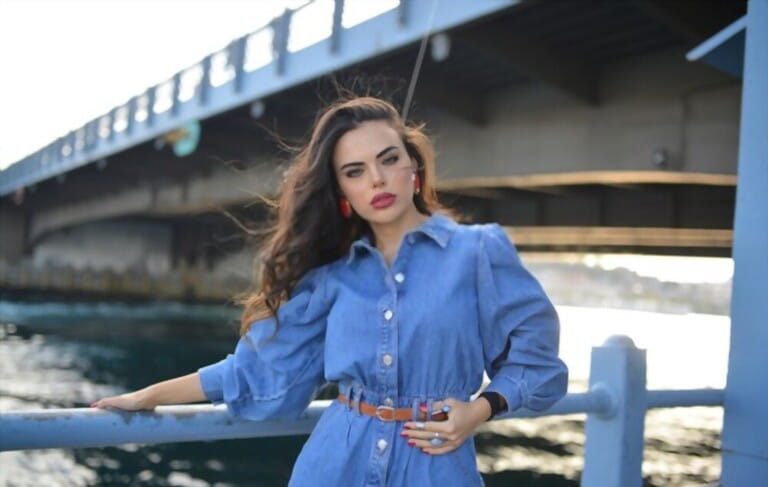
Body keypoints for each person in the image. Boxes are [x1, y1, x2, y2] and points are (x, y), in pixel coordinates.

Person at [92, 96, 568, 486]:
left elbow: (535, 358)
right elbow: (258, 372)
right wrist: (150, 395)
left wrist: (481, 410)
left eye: (388, 159)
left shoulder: (479, 251)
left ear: (413, 167)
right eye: (355, 171)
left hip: (435, 465)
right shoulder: (330, 274)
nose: (377, 179)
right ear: (342, 190)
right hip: (334, 465)